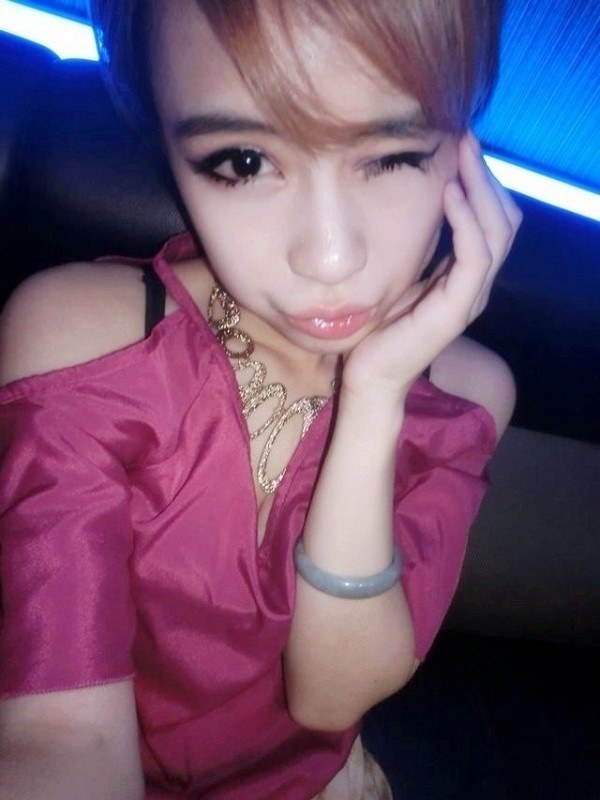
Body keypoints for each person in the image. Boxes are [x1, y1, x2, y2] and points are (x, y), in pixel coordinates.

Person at [0, 1, 521, 797]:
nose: (331, 258)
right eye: (243, 162)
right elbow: (65, 737)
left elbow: (330, 700)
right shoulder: (83, 344)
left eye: (393, 156)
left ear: (465, 148)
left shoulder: (469, 396)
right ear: (167, 148)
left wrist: (376, 395)